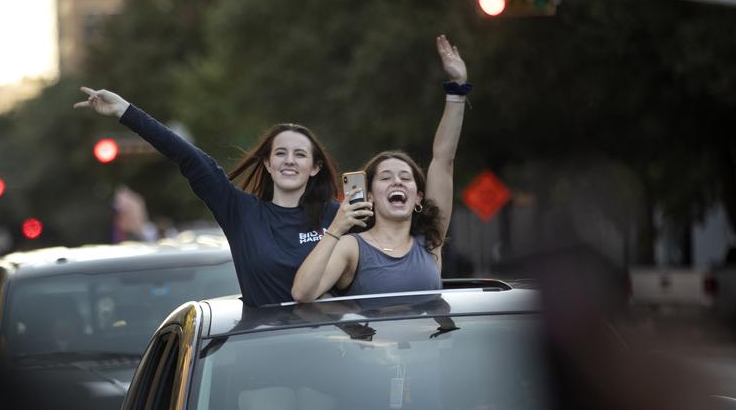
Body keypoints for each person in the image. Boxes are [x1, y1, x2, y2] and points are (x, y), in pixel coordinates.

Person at [75, 87, 342, 307]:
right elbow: (191, 159)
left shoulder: (338, 217)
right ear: (267, 164)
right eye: (280, 153)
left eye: (300, 154)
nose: (289, 161)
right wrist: (125, 111)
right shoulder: (240, 212)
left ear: (315, 167)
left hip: (329, 353)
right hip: (265, 356)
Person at [291, 35, 468, 301]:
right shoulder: (352, 247)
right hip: (370, 344)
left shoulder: (431, 241)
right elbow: (302, 294)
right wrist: (336, 231)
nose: (397, 182)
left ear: (418, 197)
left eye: (405, 178)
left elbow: (443, 159)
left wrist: (457, 90)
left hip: (430, 344)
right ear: (370, 195)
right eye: (386, 177)